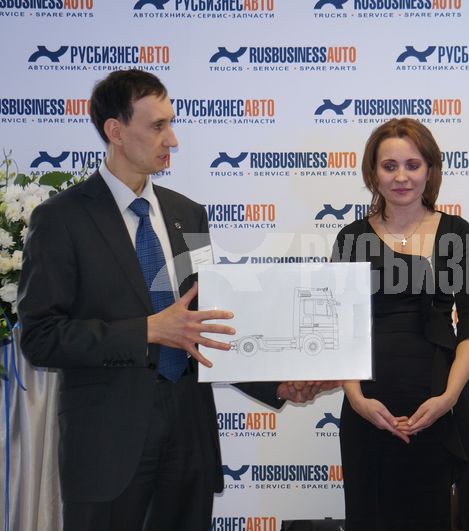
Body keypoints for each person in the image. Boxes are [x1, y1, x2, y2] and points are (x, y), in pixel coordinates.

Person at [16, 69, 330, 531]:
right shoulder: (61, 219)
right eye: (158, 126)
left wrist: (276, 384)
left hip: (189, 436)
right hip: (107, 445)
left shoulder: (188, 214)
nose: (173, 139)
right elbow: (40, 338)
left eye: (171, 123)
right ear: (115, 131)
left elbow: (203, 321)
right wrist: (146, 331)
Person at [331, 118, 469, 531]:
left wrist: (448, 398)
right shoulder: (350, 238)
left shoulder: (457, 232)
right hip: (370, 408)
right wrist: (357, 400)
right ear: (372, 173)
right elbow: (340, 328)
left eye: (413, 165)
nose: (401, 177)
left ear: (430, 170)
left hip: (441, 404)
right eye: (389, 166)